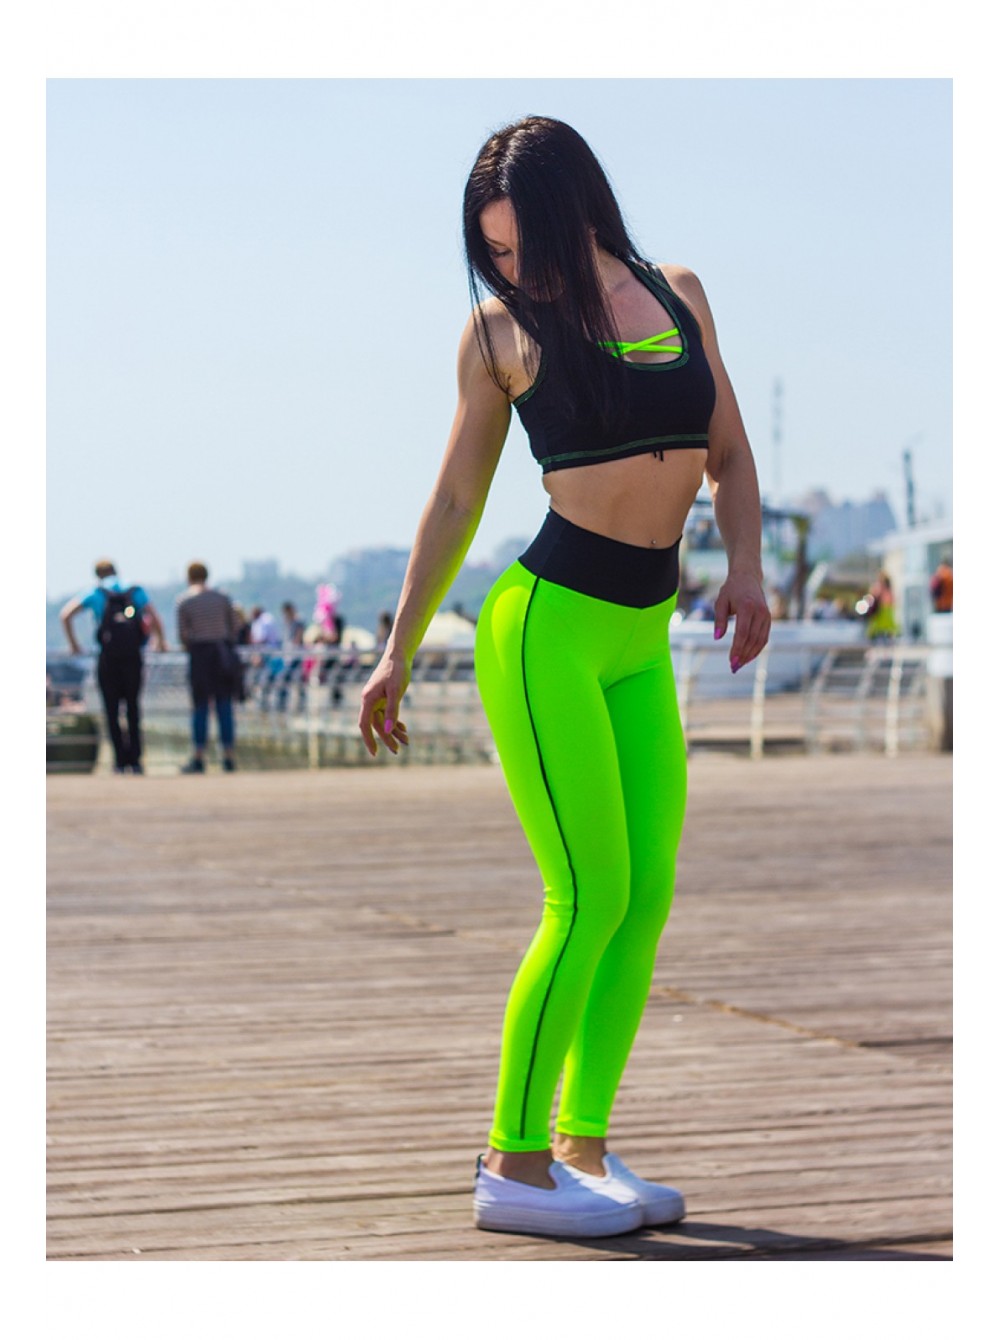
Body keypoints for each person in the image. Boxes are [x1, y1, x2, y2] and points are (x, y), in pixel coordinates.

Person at [358, 116, 771, 1239]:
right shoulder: (498, 335)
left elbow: (730, 455)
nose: (511, 268)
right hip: (546, 630)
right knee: (585, 894)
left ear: (576, 209)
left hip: (642, 636)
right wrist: (397, 647)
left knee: (645, 896)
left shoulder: (677, 291)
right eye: (490, 251)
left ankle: (583, 1144)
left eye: (522, 243)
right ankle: (514, 1161)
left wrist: (746, 567)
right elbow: (456, 499)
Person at [59, 557, 168, 774]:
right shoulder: (134, 589)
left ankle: (119, 761)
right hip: (133, 656)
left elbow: (66, 615)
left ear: (98, 574)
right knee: (133, 708)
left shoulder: (95, 592)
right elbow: (154, 617)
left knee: (111, 710)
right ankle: (136, 761)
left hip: (108, 658)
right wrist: (160, 642)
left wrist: (74, 645)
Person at [176, 561, 242, 773]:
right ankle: (228, 756)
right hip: (222, 655)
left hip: (200, 656)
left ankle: (198, 756)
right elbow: (235, 626)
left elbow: (183, 635)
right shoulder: (222, 597)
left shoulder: (185, 601)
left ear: (189, 577)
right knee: (224, 706)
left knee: (200, 708)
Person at [862, 570, 899, 642]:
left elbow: (873, 595)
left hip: (883, 610)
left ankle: (882, 639)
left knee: (881, 627)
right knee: (885, 627)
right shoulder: (887, 587)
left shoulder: (880, 587)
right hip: (886, 609)